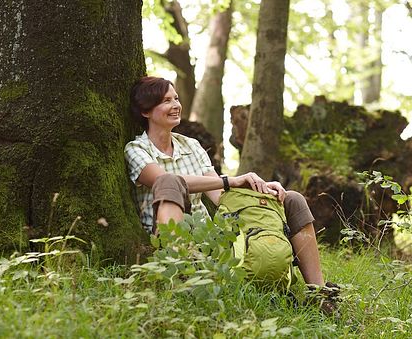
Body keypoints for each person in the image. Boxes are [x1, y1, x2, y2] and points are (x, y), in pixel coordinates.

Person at [123, 76, 338, 310]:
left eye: (176, 98)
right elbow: (164, 180)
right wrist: (229, 180)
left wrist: (261, 191)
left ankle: (319, 294)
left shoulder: (191, 146)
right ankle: (180, 276)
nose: (175, 105)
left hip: (208, 237)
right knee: (169, 182)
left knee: (292, 199)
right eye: (166, 101)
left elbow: (219, 194)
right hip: (168, 237)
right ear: (146, 111)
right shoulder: (136, 149)